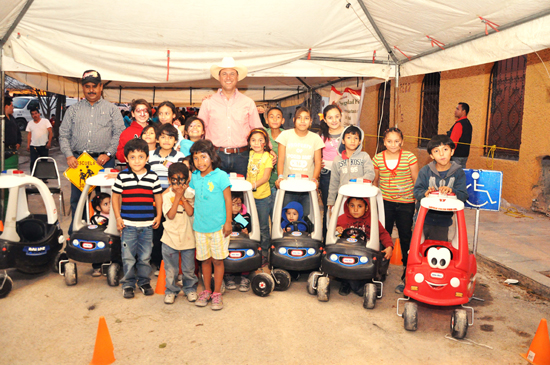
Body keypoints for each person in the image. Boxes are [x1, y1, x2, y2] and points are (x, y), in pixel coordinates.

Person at [59, 70, 125, 235]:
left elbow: (119, 134)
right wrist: (68, 155)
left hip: (104, 162)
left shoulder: (112, 109)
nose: (91, 90)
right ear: (83, 88)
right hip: (79, 162)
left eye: (94, 86)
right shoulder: (73, 110)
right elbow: (63, 134)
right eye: (87, 86)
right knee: (77, 200)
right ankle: (77, 230)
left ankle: (106, 233)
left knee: (105, 199)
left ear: (101, 87)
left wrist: (109, 153)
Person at [112, 138, 162, 299]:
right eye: (132, 157)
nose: (137, 161)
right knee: (128, 256)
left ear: (147, 158)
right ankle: (128, 284)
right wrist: (118, 217)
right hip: (128, 225)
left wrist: (159, 215)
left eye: (141, 157)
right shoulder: (122, 176)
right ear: (126, 159)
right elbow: (115, 197)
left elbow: (158, 196)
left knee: (145, 256)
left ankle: (144, 282)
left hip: (147, 225)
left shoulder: (152, 177)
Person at [198, 57, 265, 176]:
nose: (228, 77)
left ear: (237, 77)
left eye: (232, 74)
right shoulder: (208, 102)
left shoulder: (248, 102)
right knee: (216, 192)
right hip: (215, 154)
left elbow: (258, 129)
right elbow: (199, 130)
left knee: (241, 192)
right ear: (219, 78)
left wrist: (269, 150)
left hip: (242, 157)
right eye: (224, 74)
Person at [372, 127, 418, 293]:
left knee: (406, 236)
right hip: (385, 203)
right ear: (384, 142)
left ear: (402, 142)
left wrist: (418, 200)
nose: (393, 144)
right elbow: (375, 181)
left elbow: (416, 180)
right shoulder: (377, 159)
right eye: (389, 141)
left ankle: (407, 274)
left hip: (406, 203)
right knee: (384, 235)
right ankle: (381, 270)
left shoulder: (409, 157)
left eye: (396, 141)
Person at [189, 139, 232, 310]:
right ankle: (206, 290)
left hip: (218, 228)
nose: (200, 162)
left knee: (218, 261)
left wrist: (228, 222)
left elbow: (228, 200)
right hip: (200, 227)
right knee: (204, 261)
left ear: (212, 157)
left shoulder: (221, 176)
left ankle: (217, 293)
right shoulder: (194, 177)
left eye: (204, 157)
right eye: (196, 158)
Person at [413, 135, 468, 242]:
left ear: (452, 152)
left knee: (438, 251)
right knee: (418, 250)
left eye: (445, 149)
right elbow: (416, 192)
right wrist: (425, 193)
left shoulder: (458, 172)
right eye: (436, 151)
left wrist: (452, 191)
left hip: (443, 222)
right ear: (431, 155)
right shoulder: (425, 171)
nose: (441, 154)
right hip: (422, 219)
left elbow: (463, 195)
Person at [336, 197, 393, 296]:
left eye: (360, 206)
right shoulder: (342, 219)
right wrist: (337, 229)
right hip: (347, 251)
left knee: (379, 257)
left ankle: (353, 283)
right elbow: (332, 231)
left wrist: (389, 246)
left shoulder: (372, 220)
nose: (355, 209)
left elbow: (383, 234)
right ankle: (351, 284)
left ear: (366, 208)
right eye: (352, 206)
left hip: (365, 252)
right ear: (347, 206)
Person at [275, 106, 324, 216]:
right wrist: (280, 177)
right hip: (288, 185)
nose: (303, 121)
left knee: (305, 215)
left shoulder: (316, 138)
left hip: (307, 186)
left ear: (311, 121)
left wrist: (314, 180)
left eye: (306, 118)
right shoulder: (285, 135)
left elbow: (318, 162)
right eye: (299, 118)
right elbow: (281, 160)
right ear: (294, 120)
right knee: (287, 216)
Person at [161, 162, 198, 304]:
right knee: (171, 270)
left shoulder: (191, 195)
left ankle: (190, 289)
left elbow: (190, 212)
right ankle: (171, 290)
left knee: (188, 269)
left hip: (188, 239)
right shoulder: (166, 196)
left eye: (181, 181)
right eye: (174, 181)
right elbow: (170, 215)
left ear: (187, 181)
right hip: (170, 239)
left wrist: (182, 197)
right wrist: (176, 197)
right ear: (169, 180)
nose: (178, 185)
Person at [327, 125, 375, 211]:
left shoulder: (364, 156)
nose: (352, 141)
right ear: (343, 141)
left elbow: (370, 174)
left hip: (361, 196)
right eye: (349, 137)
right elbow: (334, 182)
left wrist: (358, 181)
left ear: (360, 141)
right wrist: (331, 201)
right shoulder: (337, 160)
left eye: (356, 138)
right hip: (343, 197)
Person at [245, 128, 273, 257]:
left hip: (262, 197)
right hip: (247, 198)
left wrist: (252, 185)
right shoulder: (247, 154)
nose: (256, 143)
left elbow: (265, 177)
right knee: (246, 222)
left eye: (260, 140)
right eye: (253, 140)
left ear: (266, 143)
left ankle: (265, 252)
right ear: (249, 142)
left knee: (263, 226)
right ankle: (251, 249)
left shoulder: (268, 156)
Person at [319, 105, 345, 238]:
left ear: (341, 116)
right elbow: (316, 155)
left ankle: (342, 236)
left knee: (344, 207)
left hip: (345, 174)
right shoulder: (321, 135)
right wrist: (318, 161)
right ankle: (326, 238)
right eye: (330, 117)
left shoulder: (349, 133)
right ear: (325, 120)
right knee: (329, 206)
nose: (334, 120)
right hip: (326, 175)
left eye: (336, 116)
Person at [225, 192, 252, 291]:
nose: (236, 207)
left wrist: (246, 231)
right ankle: (228, 276)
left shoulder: (244, 216)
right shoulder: (224, 216)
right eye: (232, 204)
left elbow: (248, 227)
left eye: (238, 204)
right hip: (229, 244)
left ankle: (245, 277)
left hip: (241, 243)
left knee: (247, 255)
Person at [116, 99, 151, 163]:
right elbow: (119, 157)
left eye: (145, 111)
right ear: (133, 113)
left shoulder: (155, 130)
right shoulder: (126, 133)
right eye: (138, 111)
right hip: (134, 169)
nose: (142, 114)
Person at [265, 107, 284, 213]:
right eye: (271, 117)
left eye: (278, 117)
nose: (275, 119)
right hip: (265, 182)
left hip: (280, 180)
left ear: (283, 120)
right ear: (266, 120)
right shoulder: (263, 134)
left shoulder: (287, 135)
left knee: (278, 214)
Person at [447, 102, 472, 168]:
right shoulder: (468, 123)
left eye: (457, 109)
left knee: (454, 176)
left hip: (456, 156)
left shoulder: (459, 124)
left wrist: (448, 154)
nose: (455, 111)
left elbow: (453, 141)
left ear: (463, 111)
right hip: (464, 156)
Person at [3, 96, 21, 171]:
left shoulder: (12, 118)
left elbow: (18, 132)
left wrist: (19, 142)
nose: (13, 108)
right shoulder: (2, 118)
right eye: (12, 105)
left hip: (13, 149)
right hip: (4, 150)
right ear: (7, 106)